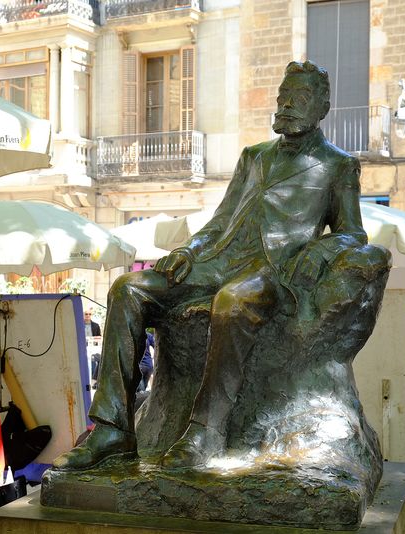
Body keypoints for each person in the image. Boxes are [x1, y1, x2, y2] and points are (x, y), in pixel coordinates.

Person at [53, 60, 371, 470]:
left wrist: (320, 250)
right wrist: (189, 251)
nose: (287, 104)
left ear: (322, 107)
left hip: (275, 272)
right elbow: (221, 220)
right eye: (283, 96)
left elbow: (353, 233)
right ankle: (113, 429)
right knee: (127, 290)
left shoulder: (337, 164)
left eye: (300, 98)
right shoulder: (254, 156)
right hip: (220, 260)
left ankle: (207, 431)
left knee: (232, 302)